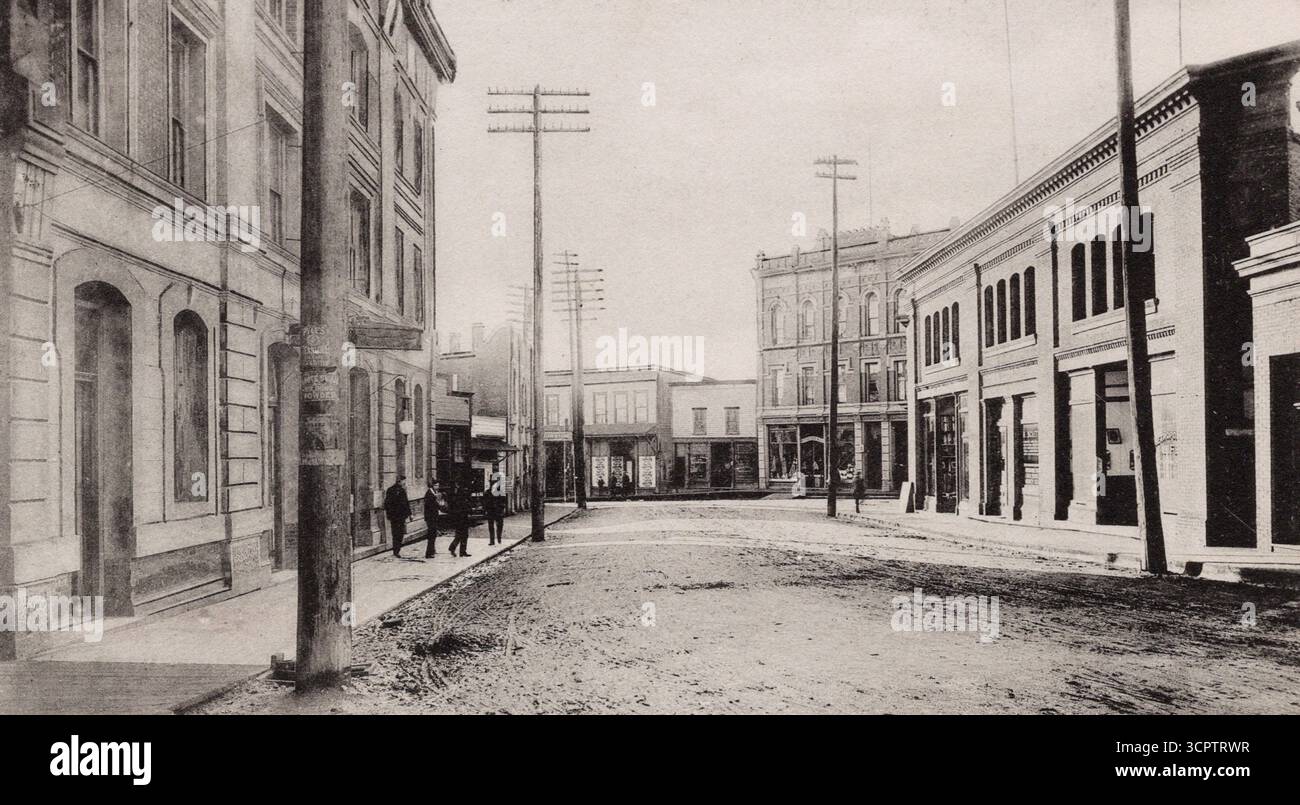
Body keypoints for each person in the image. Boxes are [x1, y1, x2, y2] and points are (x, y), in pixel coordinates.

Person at [384, 475, 412, 558]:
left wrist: (410, 514)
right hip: (395, 516)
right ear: (399, 481)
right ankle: (396, 551)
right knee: (396, 533)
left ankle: (397, 549)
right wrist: (390, 514)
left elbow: (406, 503)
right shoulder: (391, 490)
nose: (404, 483)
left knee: (399, 533)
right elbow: (387, 503)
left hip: (401, 516)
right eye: (403, 481)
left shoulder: (402, 490)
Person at [445, 478, 472, 558]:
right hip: (462, 518)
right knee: (463, 534)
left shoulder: (455, 494)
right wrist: (469, 510)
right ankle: (458, 550)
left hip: (458, 518)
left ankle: (459, 550)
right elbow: (464, 506)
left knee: (460, 534)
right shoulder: (461, 495)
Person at [484, 462, 506, 546]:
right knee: (492, 526)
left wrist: (502, 507)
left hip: (497, 510)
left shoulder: (500, 492)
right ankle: (492, 540)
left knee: (498, 525)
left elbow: (504, 501)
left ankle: (498, 538)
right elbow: (485, 502)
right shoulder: (488, 492)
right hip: (492, 510)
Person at [423, 480, 442, 557]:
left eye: (438, 485)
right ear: (433, 486)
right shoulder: (429, 494)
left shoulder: (433, 493)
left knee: (433, 534)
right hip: (430, 517)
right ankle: (429, 553)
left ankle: (432, 550)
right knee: (431, 535)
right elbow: (431, 506)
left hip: (432, 517)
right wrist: (439, 504)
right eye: (436, 485)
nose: (438, 487)